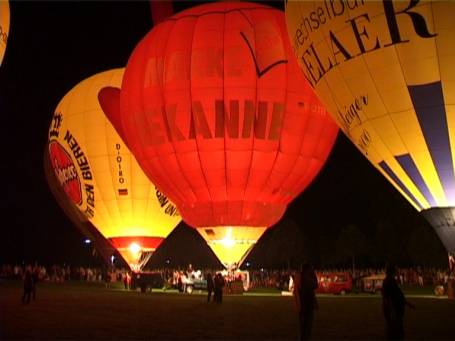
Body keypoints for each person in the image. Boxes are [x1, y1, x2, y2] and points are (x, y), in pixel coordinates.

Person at [381, 262, 415, 340]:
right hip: (393, 310)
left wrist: (408, 304)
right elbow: (387, 297)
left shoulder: (392, 280)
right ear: (392, 270)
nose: (398, 271)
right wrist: (392, 310)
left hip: (395, 310)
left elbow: (398, 296)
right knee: (395, 332)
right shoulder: (389, 281)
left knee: (396, 331)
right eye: (396, 269)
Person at [294, 264, 318, 340]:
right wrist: (313, 274)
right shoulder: (307, 278)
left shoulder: (299, 277)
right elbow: (316, 285)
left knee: (302, 325)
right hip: (308, 304)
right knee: (308, 326)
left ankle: (302, 338)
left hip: (301, 304)